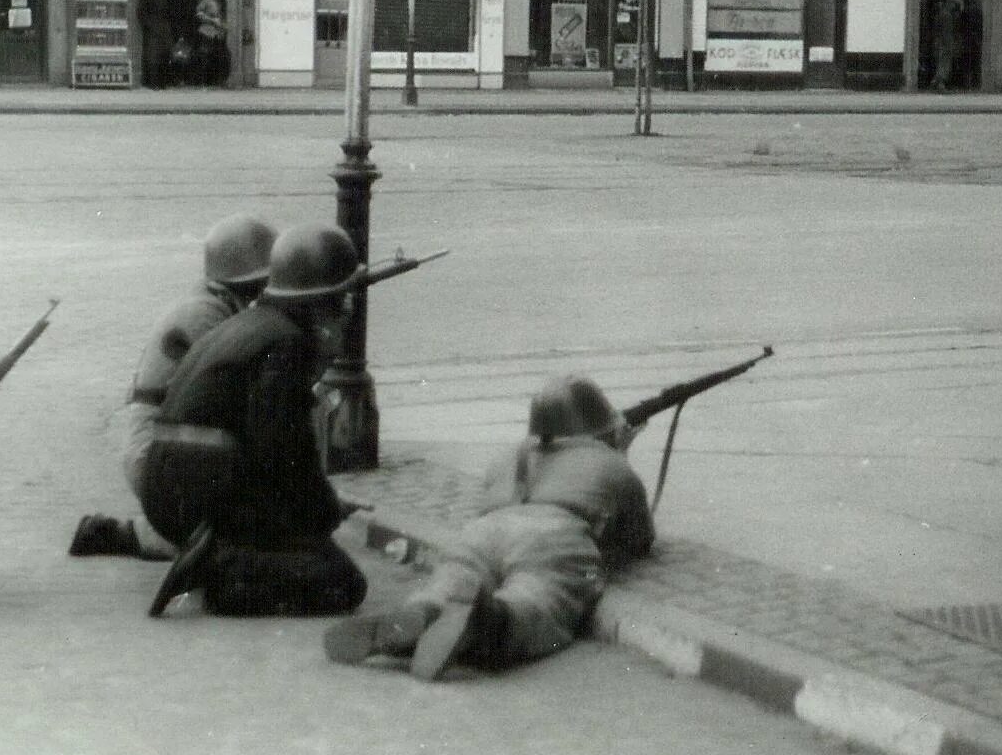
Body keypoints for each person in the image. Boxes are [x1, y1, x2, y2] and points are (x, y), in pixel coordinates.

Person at [324, 374, 653, 680]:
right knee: (538, 600)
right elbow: (640, 537)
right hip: (553, 532)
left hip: (484, 530)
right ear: (602, 427)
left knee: (453, 576)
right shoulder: (609, 464)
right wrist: (621, 456)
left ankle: (426, 609)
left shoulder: (510, 456)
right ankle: (486, 622)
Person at [141, 223, 368, 618]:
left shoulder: (254, 325)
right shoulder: (287, 344)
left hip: (176, 484)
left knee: (316, 554)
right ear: (322, 301)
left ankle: (219, 555)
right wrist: (323, 514)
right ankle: (223, 569)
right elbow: (284, 452)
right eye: (342, 298)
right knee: (342, 581)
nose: (347, 309)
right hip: (199, 494)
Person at [68, 215, 276, 560]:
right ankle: (131, 535)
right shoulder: (204, 316)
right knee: (243, 538)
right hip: (156, 453)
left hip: (162, 446)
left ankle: (150, 533)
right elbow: (240, 393)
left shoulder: (211, 306)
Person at [136, 0, 175, 90]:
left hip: (164, 28)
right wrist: (148, 25)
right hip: (152, 29)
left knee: (165, 55)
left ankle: (163, 82)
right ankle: (153, 83)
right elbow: (141, 11)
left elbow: (172, 11)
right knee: (152, 56)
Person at [195, 0, 228, 87]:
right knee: (204, 56)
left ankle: (214, 80)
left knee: (216, 56)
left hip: (217, 33)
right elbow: (199, 14)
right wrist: (212, 20)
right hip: (206, 31)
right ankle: (202, 81)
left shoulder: (220, 2)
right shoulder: (206, 0)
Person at [932, 0, 965, 91]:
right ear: (948, 4)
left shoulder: (941, 14)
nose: (954, 6)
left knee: (941, 63)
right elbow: (947, 32)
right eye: (953, 4)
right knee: (945, 64)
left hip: (939, 42)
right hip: (944, 43)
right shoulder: (947, 16)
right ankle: (940, 85)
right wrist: (950, 45)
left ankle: (935, 82)